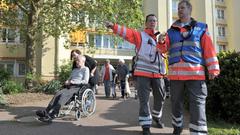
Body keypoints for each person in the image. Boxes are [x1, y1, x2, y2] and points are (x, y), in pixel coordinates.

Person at [158, 1, 220, 134]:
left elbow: (208, 49)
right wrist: (161, 41)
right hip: (176, 75)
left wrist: (213, 68)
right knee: (175, 104)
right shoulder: (171, 31)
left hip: (195, 74)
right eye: (178, 8)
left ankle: (198, 132)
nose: (179, 10)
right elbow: (163, 50)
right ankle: (177, 126)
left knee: (197, 105)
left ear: (190, 9)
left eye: (182, 8)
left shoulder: (201, 28)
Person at [105, 14, 167, 135]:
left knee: (160, 97)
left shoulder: (161, 37)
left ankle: (156, 116)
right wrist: (114, 26)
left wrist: (161, 42)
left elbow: (164, 51)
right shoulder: (140, 35)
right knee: (144, 100)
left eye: (154, 21)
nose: (152, 22)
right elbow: (126, 32)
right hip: (143, 73)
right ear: (146, 23)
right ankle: (145, 126)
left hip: (158, 74)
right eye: (150, 21)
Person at [36, 55, 90, 122]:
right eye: (76, 60)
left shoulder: (86, 69)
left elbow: (85, 81)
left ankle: (53, 114)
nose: (76, 62)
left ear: (83, 61)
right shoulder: (74, 70)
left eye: (78, 60)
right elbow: (70, 78)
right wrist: (67, 81)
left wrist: (73, 81)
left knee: (63, 96)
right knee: (58, 94)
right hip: (69, 86)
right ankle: (46, 111)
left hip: (77, 87)